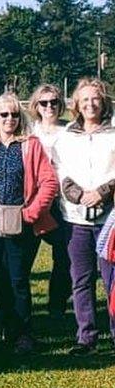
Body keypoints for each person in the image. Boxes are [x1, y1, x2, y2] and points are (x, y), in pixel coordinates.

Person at [0, 93, 58, 354]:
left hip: (21, 223)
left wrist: (32, 212)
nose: (9, 119)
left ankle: (21, 334)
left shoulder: (30, 144)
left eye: (14, 114)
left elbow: (49, 182)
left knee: (17, 279)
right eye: (3, 114)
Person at [54, 78, 115, 355]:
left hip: (109, 221)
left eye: (96, 99)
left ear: (103, 102)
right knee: (81, 280)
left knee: (111, 280)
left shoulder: (113, 132)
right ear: (76, 104)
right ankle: (86, 338)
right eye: (85, 100)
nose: (90, 104)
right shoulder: (66, 136)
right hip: (76, 220)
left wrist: (102, 192)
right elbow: (60, 172)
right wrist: (79, 195)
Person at [27, 84, 70, 319]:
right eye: (44, 102)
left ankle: (57, 307)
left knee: (63, 257)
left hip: (62, 201)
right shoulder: (29, 131)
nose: (49, 106)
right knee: (26, 256)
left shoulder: (70, 130)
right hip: (35, 201)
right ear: (36, 106)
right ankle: (21, 310)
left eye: (53, 101)